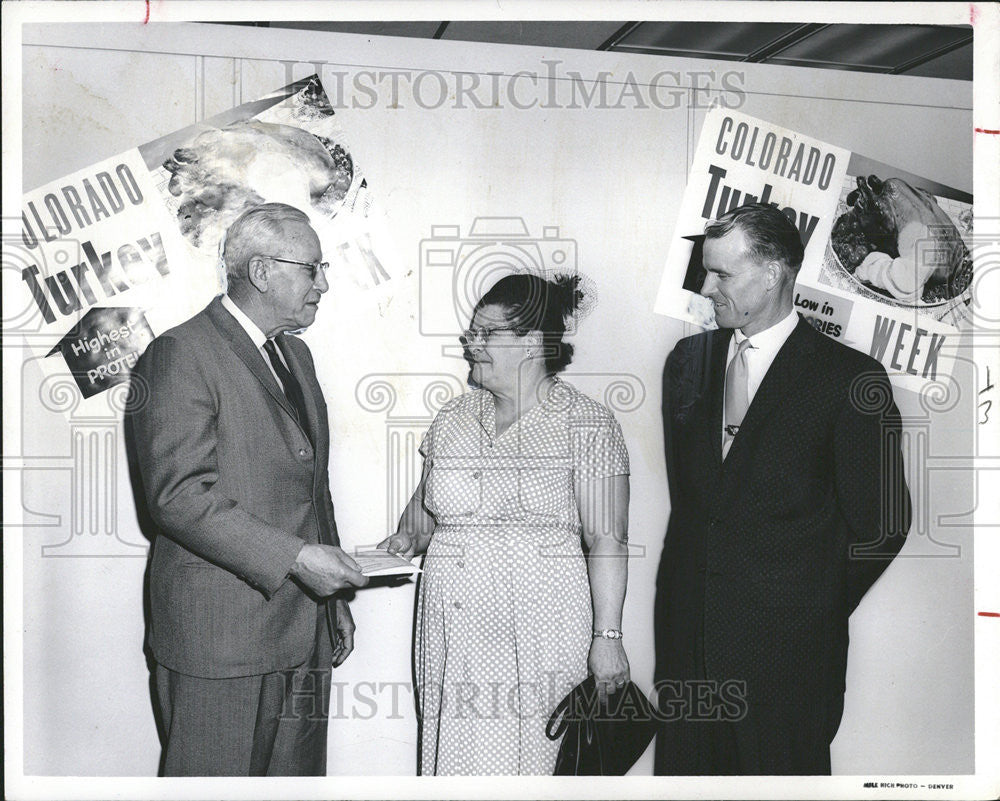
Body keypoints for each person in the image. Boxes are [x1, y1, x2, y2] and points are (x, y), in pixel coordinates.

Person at [653, 203, 912, 775]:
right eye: (705, 271)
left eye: (722, 273)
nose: (705, 286)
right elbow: (701, 507)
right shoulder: (687, 363)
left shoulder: (850, 379)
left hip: (789, 667)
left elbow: (886, 523)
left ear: (773, 273)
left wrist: (810, 605)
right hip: (689, 657)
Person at [128, 203, 369, 776]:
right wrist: (297, 558)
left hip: (301, 631)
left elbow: (312, 487)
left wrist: (329, 601)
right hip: (220, 640)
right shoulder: (180, 353)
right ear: (261, 271)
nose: (324, 284)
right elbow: (179, 495)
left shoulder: (296, 355)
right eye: (312, 269)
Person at [379, 273, 631, 775]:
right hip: (450, 626)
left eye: (485, 334)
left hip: (542, 628)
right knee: (456, 757)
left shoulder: (588, 423)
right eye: (472, 333)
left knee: (533, 758)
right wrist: (396, 544)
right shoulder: (452, 416)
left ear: (534, 343)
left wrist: (608, 637)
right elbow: (423, 517)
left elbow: (607, 538)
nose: (470, 345)